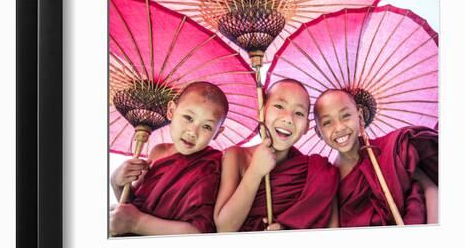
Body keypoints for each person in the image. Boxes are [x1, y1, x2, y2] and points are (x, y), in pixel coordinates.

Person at [214, 79, 340, 232]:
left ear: (306, 127)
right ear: (261, 111)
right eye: (279, 106)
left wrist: (288, 230)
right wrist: (255, 172)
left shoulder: (316, 173)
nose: (288, 118)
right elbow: (224, 227)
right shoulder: (236, 156)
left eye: (299, 113)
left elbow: (332, 232)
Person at [109, 81, 228, 236]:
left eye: (207, 127)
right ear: (171, 111)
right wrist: (116, 183)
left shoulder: (212, 166)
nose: (193, 132)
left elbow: (199, 232)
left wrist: (137, 223)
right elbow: (132, 206)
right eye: (188, 118)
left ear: (218, 132)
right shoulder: (157, 152)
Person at [313, 89, 439, 227]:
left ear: (359, 117)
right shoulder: (329, 180)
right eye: (327, 123)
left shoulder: (390, 149)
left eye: (346, 116)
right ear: (319, 132)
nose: (339, 127)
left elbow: (430, 189)